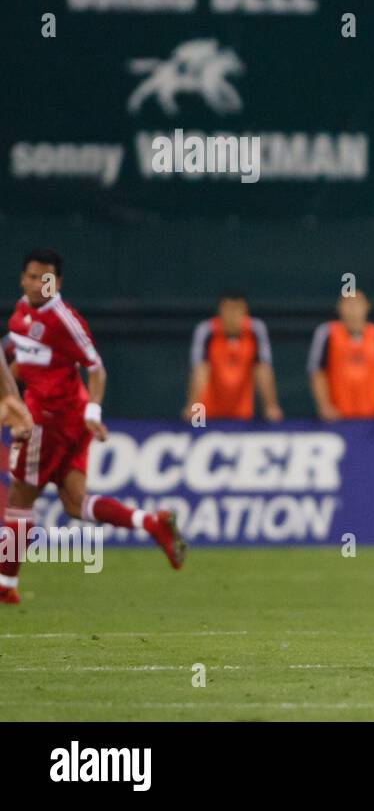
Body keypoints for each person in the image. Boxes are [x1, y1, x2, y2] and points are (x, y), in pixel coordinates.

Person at [2, 249, 184, 605]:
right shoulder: (21, 312)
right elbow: (27, 362)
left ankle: (5, 584)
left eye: (47, 278)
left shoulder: (62, 319)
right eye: (33, 276)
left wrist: (95, 413)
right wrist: (12, 394)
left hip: (50, 421)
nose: (40, 283)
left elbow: (97, 367)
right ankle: (151, 523)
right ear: (23, 279)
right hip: (63, 420)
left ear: (59, 282)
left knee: (20, 498)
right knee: (74, 503)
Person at [185, 292, 282, 422]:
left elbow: (262, 369)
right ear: (220, 311)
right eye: (228, 308)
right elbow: (200, 371)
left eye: (237, 309)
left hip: (242, 414)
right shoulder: (206, 331)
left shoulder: (255, 330)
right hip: (206, 413)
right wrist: (194, 408)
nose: (232, 314)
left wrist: (271, 406)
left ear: (245, 311)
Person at [307, 290, 374, 422]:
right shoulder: (327, 333)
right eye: (348, 304)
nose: (353, 309)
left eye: (357, 304)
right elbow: (317, 372)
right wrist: (325, 407)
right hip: (338, 419)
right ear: (339, 308)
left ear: (367, 306)